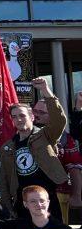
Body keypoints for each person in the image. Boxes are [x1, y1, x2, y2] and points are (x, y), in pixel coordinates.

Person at [0, 77, 68, 219]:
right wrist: (7, 205)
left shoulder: (45, 135)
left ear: (32, 117)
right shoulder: (8, 147)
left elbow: (59, 120)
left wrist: (45, 90)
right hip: (23, 201)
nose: (18, 120)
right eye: (14, 117)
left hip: (48, 198)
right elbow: (4, 179)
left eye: (22, 116)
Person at [33, 94, 82, 222]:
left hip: (57, 193)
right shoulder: (25, 134)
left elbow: (74, 169)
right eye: (35, 111)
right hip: (31, 193)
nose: (36, 115)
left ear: (52, 116)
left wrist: (77, 195)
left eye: (41, 112)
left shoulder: (65, 139)